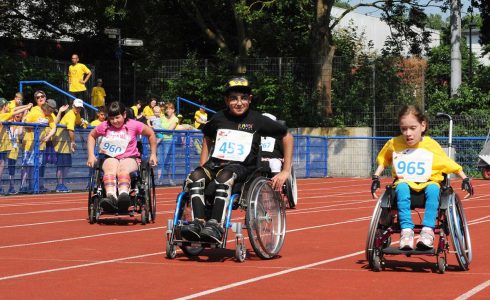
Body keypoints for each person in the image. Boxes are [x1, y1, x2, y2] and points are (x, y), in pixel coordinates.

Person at [180, 77, 294, 243]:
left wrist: (285, 171)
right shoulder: (219, 118)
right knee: (195, 177)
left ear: (250, 99)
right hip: (215, 164)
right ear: (227, 100)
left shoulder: (257, 120)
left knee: (225, 176)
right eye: (234, 99)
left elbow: (287, 136)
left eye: (243, 98)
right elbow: (207, 137)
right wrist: (202, 164)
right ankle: (198, 222)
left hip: (243, 167)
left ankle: (215, 225)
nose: (239, 103)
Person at [371, 105, 474, 250]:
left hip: (429, 183)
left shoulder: (430, 145)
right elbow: (384, 160)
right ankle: (406, 231)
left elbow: (447, 163)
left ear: (423, 126)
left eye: (413, 128)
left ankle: (428, 231)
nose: (408, 133)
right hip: (405, 183)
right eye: (404, 129)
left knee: (433, 189)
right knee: (401, 187)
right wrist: (376, 178)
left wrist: (465, 178)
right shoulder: (394, 143)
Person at [86, 101, 157, 213]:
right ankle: (111, 197)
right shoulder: (105, 126)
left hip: (130, 157)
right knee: (110, 169)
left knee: (123, 169)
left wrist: (153, 154)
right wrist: (90, 155)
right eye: (112, 118)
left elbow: (151, 134)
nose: (115, 121)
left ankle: (123, 197)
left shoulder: (133, 125)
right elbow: (91, 135)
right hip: (110, 157)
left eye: (117, 117)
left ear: (124, 115)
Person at [19, 96, 59, 193]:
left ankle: (33, 187)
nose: (51, 113)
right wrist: (35, 126)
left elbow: (54, 128)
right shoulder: (35, 112)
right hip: (29, 144)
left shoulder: (49, 116)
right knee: (27, 166)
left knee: (36, 166)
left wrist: (48, 136)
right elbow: (24, 124)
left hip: (40, 146)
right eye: (51, 110)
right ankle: (23, 186)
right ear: (46, 107)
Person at [0, 98, 32, 194]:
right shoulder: (3, 115)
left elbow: (14, 110)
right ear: (4, 106)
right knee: (1, 166)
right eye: (7, 106)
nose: (8, 107)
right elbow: (14, 112)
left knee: (6, 166)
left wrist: (26, 106)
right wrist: (27, 107)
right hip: (2, 145)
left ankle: (7, 187)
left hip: (7, 146)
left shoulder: (5, 115)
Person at [53, 98, 85, 192]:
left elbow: (78, 122)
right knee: (61, 165)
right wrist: (73, 142)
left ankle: (62, 184)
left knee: (66, 165)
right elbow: (71, 130)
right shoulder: (71, 115)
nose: (78, 109)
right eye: (77, 107)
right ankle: (59, 185)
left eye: (79, 108)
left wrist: (83, 122)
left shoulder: (76, 114)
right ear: (73, 106)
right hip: (61, 144)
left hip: (65, 145)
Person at [159, 103, 179, 186]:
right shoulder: (162, 117)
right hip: (160, 140)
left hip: (168, 141)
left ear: (173, 110)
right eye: (166, 109)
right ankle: (159, 180)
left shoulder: (175, 119)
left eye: (169, 109)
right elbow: (156, 126)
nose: (167, 110)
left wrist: (160, 130)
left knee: (167, 161)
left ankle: (170, 180)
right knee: (159, 160)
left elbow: (170, 130)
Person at [6, 112, 24, 195]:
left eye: (21, 114)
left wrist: (22, 121)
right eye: (18, 114)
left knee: (11, 168)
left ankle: (11, 186)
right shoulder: (8, 121)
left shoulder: (20, 125)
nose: (19, 115)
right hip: (4, 147)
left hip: (14, 148)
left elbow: (20, 132)